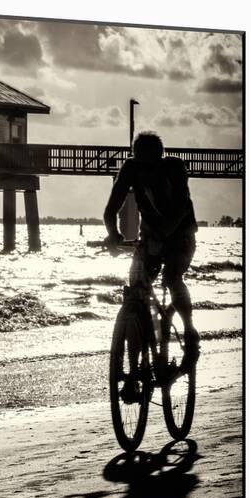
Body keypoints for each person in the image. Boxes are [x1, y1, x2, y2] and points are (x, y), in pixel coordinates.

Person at [103, 131, 200, 361]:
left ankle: (189, 330)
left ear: (161, 157)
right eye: (140, 161)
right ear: (134, 157)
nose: (146, 169)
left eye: (151, 163)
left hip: (181, 234)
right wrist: (113, 234)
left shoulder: (175, 168)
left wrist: (165, 235)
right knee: (135, 286)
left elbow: (182, 206)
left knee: (172, 277)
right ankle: (134, 362)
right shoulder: (130, 169)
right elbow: (111, 209)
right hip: (150, 235)